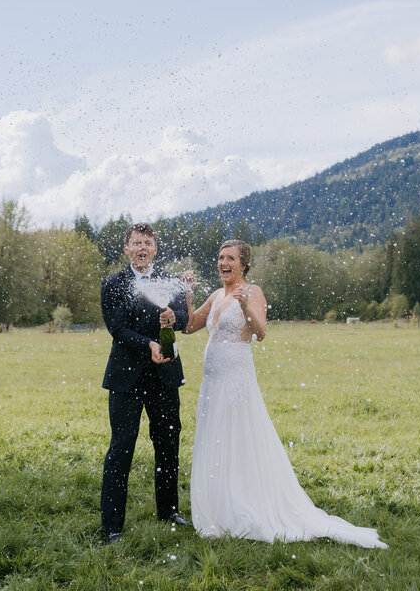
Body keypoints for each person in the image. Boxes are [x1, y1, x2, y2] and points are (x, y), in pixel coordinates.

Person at [183, 239, 387, 548]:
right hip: (212, 381)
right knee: (215, 437)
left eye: (231, 258)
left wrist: (243, 305)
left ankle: (243, 504)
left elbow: (261, 332)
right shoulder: (215, 295)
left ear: (243, 265)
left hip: (236, 377)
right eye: (221, 257)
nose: (224, 263)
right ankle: (218, 506)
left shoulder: (253, 293)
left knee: (238, 438)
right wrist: (188, 292)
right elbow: (189, 325)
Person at [99, 222, 192, 544]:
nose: (142, 248)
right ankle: (111, 526)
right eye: (136, 243)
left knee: (168, 444)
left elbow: (183, 317)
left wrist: (173, 320)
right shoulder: (112, 284)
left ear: (155, 248)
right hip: (126, 377)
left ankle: (169, 511)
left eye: (148, 243)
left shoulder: (171, 281)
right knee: (121, 448)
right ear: (126, 249)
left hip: (164, 374)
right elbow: (117, 328)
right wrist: (148, 344)